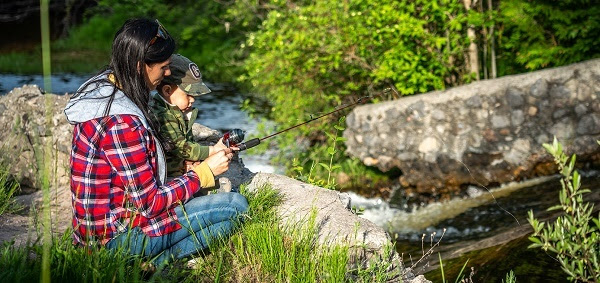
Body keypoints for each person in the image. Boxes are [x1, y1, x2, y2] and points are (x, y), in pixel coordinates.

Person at [63, 18, 248, 267]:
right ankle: (144, 262)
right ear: (141, 66)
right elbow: (150, 203)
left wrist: (182, 170)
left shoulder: (103, 87)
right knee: (236, 206)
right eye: (164, 67)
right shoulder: (122, 123)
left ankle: (151, 265)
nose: (168, 74)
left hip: (101, 228)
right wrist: (204, 173)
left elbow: (132, 178)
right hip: (116, 239)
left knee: (224, 221)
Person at [150, 53, 228, 180]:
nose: (193, 100)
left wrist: (191, 161)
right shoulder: (162, 115)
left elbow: (188, 142)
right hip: (167, 178)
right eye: (188, 95)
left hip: (180, 172)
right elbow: (181, 148)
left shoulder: (177, 111)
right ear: (167, 91)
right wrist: (212, 150)